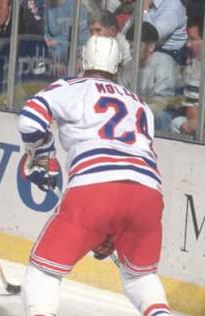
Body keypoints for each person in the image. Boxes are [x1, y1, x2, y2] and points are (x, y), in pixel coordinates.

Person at [19, 35, 170, 316]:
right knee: (140, 278)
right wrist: (114, 227)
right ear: (118, 66)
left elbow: (30, 119)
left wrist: (41, 156)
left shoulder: (69, 87)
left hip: (94, 189)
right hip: (148, 193)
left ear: (82, 60)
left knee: (43, 274)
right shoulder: (140, 104)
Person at [118, 22, 179, 132]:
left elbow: (162, 101)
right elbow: (121, 96)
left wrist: (137, 111)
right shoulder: (128, 66)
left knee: (160, 116)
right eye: (131, 46)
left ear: (151, 47)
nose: (132, 51)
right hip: (135, 112)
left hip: (163, 113)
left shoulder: (164, 63)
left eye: (138, 46)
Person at [170, 15, 203, 136]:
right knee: (177, 123)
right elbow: (192, 113)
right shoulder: (194, 67)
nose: (188, 45)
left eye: (193, 39)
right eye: (188, 39)